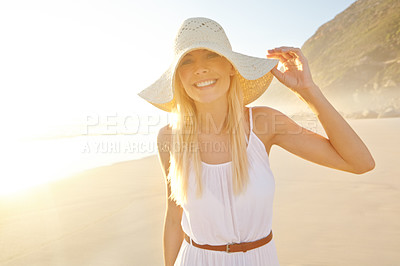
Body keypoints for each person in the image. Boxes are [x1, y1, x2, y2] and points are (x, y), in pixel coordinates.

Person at [138, 17, 375, 266]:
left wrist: (307, 90)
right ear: (179, 77)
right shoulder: (170, 137)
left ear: (231, 66)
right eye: (187, 61)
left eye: (210, 55)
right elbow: (174, 218)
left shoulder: (264, 123)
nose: (200, 68)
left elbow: (360, 163)